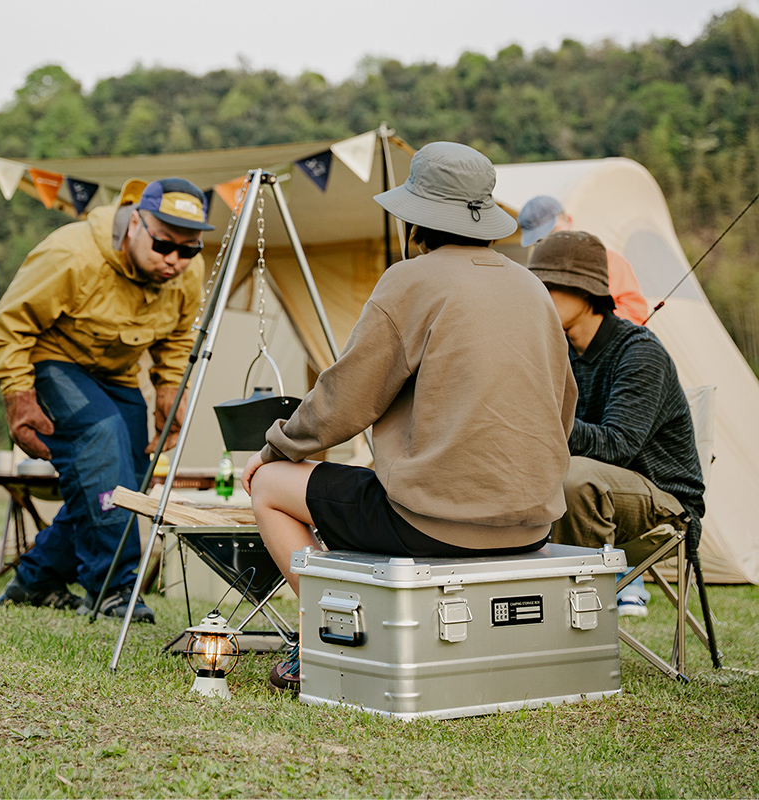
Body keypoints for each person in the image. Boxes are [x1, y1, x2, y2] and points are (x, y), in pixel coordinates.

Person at [241, 142, 578, 692]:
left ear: (413, 220)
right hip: (530, 525)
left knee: (271, 486)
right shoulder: (532, 287)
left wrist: (274, 449)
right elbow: (563, 408)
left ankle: (324, 638)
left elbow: (343, 399)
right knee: (358, 494)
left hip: (431, 523)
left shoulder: (410, 279)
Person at [0, 177, 212, 622]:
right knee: (102, 440)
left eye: (189, 251)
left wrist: (169, 389)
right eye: (165, 245)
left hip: (117, 373)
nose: (175, 261)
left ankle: (36, 579)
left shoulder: (185, 273)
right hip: (51, 362)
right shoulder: (71, 254)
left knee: (124, 480)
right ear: (134, 224)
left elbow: (178, 334)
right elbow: (8, 326)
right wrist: (18, 395)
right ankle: (114, 587)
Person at [527, 230, 705, 616]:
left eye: (554, 286)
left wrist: (538, 425)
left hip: (664, 502)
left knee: (573, 479)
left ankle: (576, 630)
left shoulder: (639, 352)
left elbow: (617, 446)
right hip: (593, 491)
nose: (542, 295)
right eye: (537, 285)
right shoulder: (559, 355)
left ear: (589, 292)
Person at [518, 195, 649, 325]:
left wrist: (586, 324)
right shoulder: (532, 276)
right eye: (540, 241)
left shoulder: (609, 260)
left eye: (553, 233)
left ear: (568, 221)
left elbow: (635, 313)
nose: (550, 244)